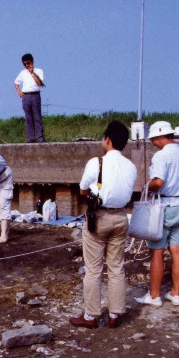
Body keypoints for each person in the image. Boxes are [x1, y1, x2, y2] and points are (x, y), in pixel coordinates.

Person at [69, 121, 138, 329]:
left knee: (93, 268)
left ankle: (90, 316)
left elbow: (82, 190)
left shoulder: (96, 163)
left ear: (107, 140)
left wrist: (93, 195)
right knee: (116, 267)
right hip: (121, 217)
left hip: (99, 218)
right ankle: (115, 314)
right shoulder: (131, 166)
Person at [135, 121, 179, 307]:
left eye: (154, 139)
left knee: (156, 253)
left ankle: (155, 296)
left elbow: (159, 182)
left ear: (161, 137)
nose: (153, 143)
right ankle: (175, 294)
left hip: (164, 206)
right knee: (177, 250)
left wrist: (147, 185)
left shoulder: (161, 156)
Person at [14, 53, 45, 143]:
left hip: (35, 95)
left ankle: (40, 137)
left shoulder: (39, 71)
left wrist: (32, 73)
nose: (26, 65)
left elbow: (40, 83)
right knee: (28, 118)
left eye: (28, 63)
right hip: (26, 96)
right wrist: (19, 92)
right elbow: (16, 83)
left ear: (32, 61)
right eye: (24, 64)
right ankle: (31, 138)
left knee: (37, 117)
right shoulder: (22, 73)